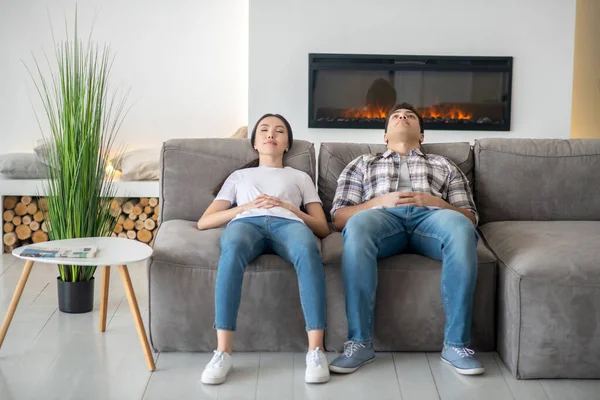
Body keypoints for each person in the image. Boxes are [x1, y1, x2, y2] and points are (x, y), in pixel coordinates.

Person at [328, 103, 485, 376]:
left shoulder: (444, 164)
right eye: (396, 117)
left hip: (432, 221)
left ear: (422, 136)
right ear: (384, 135)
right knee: (358, 226)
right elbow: (340, 218)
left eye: (410, 116)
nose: (402, 118)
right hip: (381, 220)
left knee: (461, 229)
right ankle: (359, 342)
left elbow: (470, 217)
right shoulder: (362, 163)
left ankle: (456, 345)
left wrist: (436, 203)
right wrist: (379, 202)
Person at [198, 113, 331, 385]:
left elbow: (322, 228)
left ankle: (316, 351)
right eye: (265, 130)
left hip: (289, 224)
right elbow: (205, 221)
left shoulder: (300, 177)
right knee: (232, 250)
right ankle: (223, 352)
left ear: (287, 145)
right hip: (246, 223)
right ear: (255, 143)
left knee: (308, 251)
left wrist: (291, 208)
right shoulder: (239, 176)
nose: (271, 134)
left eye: (279, 131)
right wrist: (245, 207)